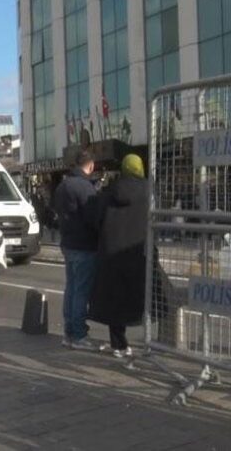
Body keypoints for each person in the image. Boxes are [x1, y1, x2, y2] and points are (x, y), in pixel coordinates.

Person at [89, 154, 149, 358]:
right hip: (138, 250)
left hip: (111, 252)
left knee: (115, 298)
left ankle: (118, 344)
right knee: (143, 294)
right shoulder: (148, 191)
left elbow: (96, 219)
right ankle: (150, 342)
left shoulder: (110, 190)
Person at [54, 149, 101, 351]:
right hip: (84, 244)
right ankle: (79, 335)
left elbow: (54, 210)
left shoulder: (63, 185)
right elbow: (94, 217)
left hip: (68, 243)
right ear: (90, 166)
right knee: (81, 291)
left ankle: (68, 333)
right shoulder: (86, 187)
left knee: (71, 288)